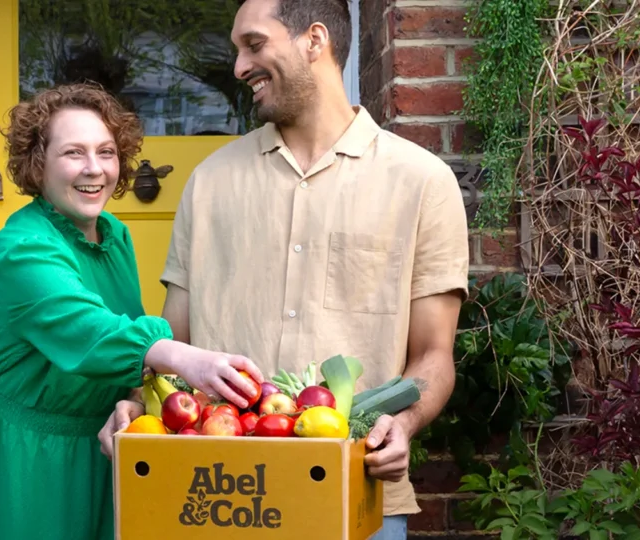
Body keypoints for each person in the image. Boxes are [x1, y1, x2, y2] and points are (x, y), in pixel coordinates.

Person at [98, 0, 469, 538]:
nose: (238, 67)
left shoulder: (420, 182)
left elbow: (433, 354)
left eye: (254, 44)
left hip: (352, 490)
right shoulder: (209, 183)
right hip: (213, 494)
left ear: (314, 40)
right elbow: (172, 343)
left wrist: (404, 422)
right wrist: (135, 406)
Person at [0, 82, 264, 540]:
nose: (94, 169)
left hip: (85, 452)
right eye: (74, 153)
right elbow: (88, 330)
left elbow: (123, 356)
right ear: (38, 165)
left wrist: (138, 400)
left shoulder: (115, 237)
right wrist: (186, 356)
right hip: (0, 453)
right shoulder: (22, 248)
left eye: (107, 152)